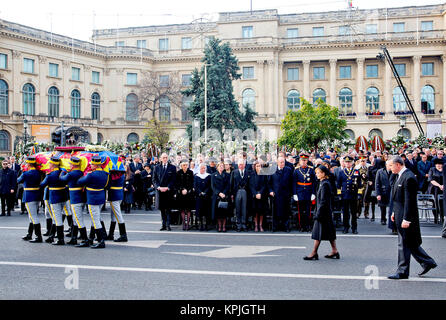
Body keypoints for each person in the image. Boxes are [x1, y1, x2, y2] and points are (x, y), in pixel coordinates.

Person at [388, 156, 437, 280]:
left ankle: (402, 271)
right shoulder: (398, 175)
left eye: (391, 165)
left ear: (398, 164)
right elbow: (398, 198)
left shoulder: (408, 177)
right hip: (400, 214)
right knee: (410, 242)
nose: (389, 168)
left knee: (404, 244)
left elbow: (409, 201)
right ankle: (427, 262)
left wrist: (406, 219)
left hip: (406, 217)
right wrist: (394, 212)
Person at [303, 165, 339, 261]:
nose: (316, 174)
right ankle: (334, 250)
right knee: (329, 232)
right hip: (325, 211)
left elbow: (323, 201)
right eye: (316, 173)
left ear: (323, 174)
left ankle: (314, 252)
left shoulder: (325, 184)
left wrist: (318, 213)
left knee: (317, 233)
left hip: (323, 212)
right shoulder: (322, 182)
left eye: (318, 172)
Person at [77, 155, 109, 249]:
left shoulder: (91, 174)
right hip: (101, 197)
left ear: (95, 165)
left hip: (93, 198)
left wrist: (86, 175)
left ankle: (100, 241)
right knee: (96, 218)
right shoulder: (105, 174)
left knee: (95, 220)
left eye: (91, 164)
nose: (90, 166)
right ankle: (92, 238)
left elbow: (80, 181)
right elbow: (106, 185)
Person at [59, 156, 87, 245]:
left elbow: (62, 179)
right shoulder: (80, 172)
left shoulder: (71, 173)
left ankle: (85, 239)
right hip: (81, 197)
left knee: (78, 219)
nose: (70, 165)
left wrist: (63, 171)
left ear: (73, 165)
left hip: (75, 198)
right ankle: (74, 238)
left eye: (70, 164)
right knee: (75, 219)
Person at [40, 157, 67, 245]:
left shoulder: (50, 175)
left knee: (57, 219)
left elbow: (42, 184)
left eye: (50, 163)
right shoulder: (62, 172)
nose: (49, 165)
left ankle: (60, 239)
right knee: (57, 218)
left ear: (53, 164)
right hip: (63, 196)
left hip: (54, 197)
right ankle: (53, 236)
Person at [17, 156, 43, 243]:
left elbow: (18, 180)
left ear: (28, 163)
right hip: (36, 195)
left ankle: (38, 236)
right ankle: (29, 234)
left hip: (29, 195)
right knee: (31, 216)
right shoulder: (38, 172)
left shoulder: (26, 173)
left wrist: (22, 170)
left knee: (33, 216)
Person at [337, 156, 362, 234]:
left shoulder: (356, 171)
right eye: (346, 162)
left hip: (353, 194)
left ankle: (354, 227)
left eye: (349, 162)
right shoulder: (341, 172)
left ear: (352, 163)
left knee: (354, 212)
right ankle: (346, 227)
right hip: (345, 194)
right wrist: (339, 194)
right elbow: (338, 184)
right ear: (344, 163)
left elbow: (359, 184)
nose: (348, 163)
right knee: (345, 212)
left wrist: (359, 194)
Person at [293, 153, 316, 232]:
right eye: (302, 160)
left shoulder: (311, 170)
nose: (303, 162)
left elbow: (314, 182)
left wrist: (313, 193)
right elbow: (294, 183)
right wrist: (295, 193)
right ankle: (301, 226)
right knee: (300, 211)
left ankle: (308, 225)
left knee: (308, 211)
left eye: (305, 160)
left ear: (307, 161)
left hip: (308, 192)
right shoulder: (296, 170)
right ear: (299, 161)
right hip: (300, 192)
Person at [269, 157, 293, 232]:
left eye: (283, 162)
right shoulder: (272, 170)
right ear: (277, 162)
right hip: (276, 194)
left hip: (285, 194)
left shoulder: (288, 170)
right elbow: (269, 183)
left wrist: (291, 193)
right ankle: (275, 227)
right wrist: (271, 191)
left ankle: (285, 227)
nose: (282, 163)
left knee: (285, 211)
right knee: (275, 211)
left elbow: (291, 182)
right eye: (281, 162)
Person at [153, 153, 177, 231]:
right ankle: (163, 224)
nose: (165, 159)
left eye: (166, 157)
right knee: (162, 209)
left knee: (168, 208)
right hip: (160, 191)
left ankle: (168, 224)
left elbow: (173, 179)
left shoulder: (172, 167)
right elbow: (154, 179)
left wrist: (168, 187)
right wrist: (158, 187)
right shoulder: (156, 167)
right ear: (160, 158)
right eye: (163, 157)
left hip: (168, 191)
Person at [106, 169, 128, 242]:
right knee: (113, 215)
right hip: (119, 194)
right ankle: (111, 234)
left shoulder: (112, 175)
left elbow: (108, 185)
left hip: (114, 195)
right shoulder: (121, 174)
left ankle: (123, 235)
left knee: (118, 215)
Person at [231, 159, 251, 232]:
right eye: (239, 164)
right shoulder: (234, 172)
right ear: (238, 165)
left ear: (244, 165)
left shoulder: (248, 172)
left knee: (244, 208)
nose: (241, 166)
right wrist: (232, 194)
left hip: (245, 192)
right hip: (237, 192)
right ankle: (238, 224)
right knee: (238, 208)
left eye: (242, 164)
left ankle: (244, 224)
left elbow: (250, 184)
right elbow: (231, 184)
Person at [249, 161, 269, 232]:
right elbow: (251, 185)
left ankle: (260, 225)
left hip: (262, 195)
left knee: (261, 211)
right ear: (255, 167)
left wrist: (260, 193)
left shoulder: (264, 175)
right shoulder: (252, 174)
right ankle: (256, 225)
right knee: (255, 211)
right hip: (254, 196)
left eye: (259, 166)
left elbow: (265, 185)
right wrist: (255, 193)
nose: (258, 167)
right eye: (257, 166)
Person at [211, 162, 231, 232]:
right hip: (217, 196)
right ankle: (219, 226)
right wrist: (219, 193)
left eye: (222, 166)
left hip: (225, 195)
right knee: (218, 212)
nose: (221, 167)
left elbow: (228, 185)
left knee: (224, 212)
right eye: (220, 166)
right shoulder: (213, 175)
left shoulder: (227, 175)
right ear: (217, 167)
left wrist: (224, 193)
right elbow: (213, 186)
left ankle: (224, 226)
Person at [176, 160, 195, 231]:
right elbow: (177, 183)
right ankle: (184, 223)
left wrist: (187, 190)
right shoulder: (178, 173)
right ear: (181, 166)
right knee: (182, 209)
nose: (185, 166)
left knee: (188, 209)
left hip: (189, 193)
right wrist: (182, 190)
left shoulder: (190, 172)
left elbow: (192, 182)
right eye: (183, 165)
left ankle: (188, 224)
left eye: (186, 165)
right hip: (181, 193)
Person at [194, 163, 212, 231]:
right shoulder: (196, 176)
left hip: (207, 196)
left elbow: (210, 186)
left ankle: (206, 225)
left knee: (206, 211)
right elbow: (195, 186)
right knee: (200, 211)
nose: (203, 169)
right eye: (202, 168)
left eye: (204, 168)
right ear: (199, 169)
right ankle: (200, 225)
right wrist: (200, 192)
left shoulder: (208, 176)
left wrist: (205, 192)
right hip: (199, 196)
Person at [375, 160, 393, 226]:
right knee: (383, 207)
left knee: (391, 207)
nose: (391, 167)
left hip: (391, 191)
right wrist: (378, 194)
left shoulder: (393, 172)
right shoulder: (380, 171)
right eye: (389, 165)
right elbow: (377, 183)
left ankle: (391, 220)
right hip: (383, 191)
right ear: (386, 165)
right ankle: (383, 219)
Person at [427, 158, 444, 224]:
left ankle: (442, 217)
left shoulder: (444, 170)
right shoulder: (432, 169)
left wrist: (443, 186)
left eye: (440, 164)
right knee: (435, 203)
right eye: (437, 164)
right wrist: (439, 185)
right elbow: (431, 180)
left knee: (442, 203)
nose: (439, 166)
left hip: (443, 188)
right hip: (434, 189)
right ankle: (436, 217)